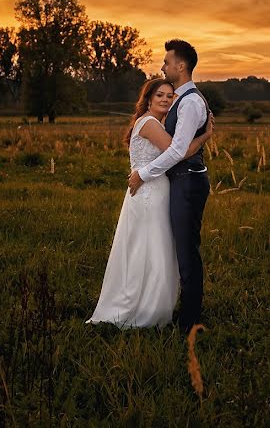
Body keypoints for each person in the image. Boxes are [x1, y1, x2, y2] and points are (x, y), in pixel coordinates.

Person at [87, 78, 214, 328]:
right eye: (160, 96)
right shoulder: (150, 123)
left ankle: (151, 304)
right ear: (148, 99)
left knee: (152, 249)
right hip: (149, 194)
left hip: (151, 191)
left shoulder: (154, 122)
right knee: (151, 250)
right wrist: (206, 135)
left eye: (170, 96)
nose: (166, 99)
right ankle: (145, 309)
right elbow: (179, 153)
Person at [127, 39, 210, 334]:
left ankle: (190, 322)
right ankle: (177, 311)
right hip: (179, 181)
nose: (163, 66)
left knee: (186, 251)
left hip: (187, 182)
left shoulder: (190, 102)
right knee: (177, 249)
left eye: (166, 62)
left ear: (181, 66)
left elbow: (176, 151)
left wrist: (143, 174)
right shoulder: (181, 100)